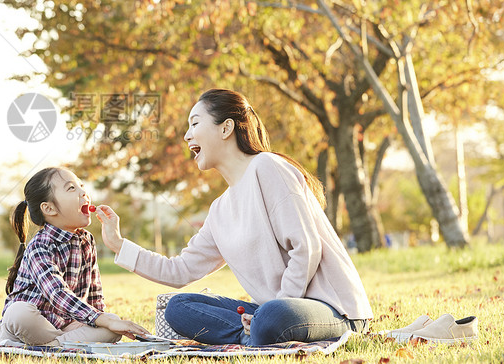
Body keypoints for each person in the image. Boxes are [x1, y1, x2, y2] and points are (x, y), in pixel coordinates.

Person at [96, 89, 373, 346]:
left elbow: (307, 248)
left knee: (272, 315)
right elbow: (180, 271)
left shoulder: (268, 167)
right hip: (273, 311)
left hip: (334, 310)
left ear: (226, 128)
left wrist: (273, 308)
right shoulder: (220, 209)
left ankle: (254, 332)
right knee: (178, 307)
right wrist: (119, 245)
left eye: (195, 124)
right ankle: (250, 335)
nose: (186, 136)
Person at [0, 166, 150, 346]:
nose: (83, 192)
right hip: (29, 326)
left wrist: (106, 320)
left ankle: (50, 347)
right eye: (72, 188)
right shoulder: (39, 246)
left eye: (82, 186)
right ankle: (58, 345)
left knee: (112, 326)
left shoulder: (86, 241)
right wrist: (105, 321)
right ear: (49, 208)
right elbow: (57, 294)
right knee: (18, 313)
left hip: (65, 327)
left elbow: (95, 296)